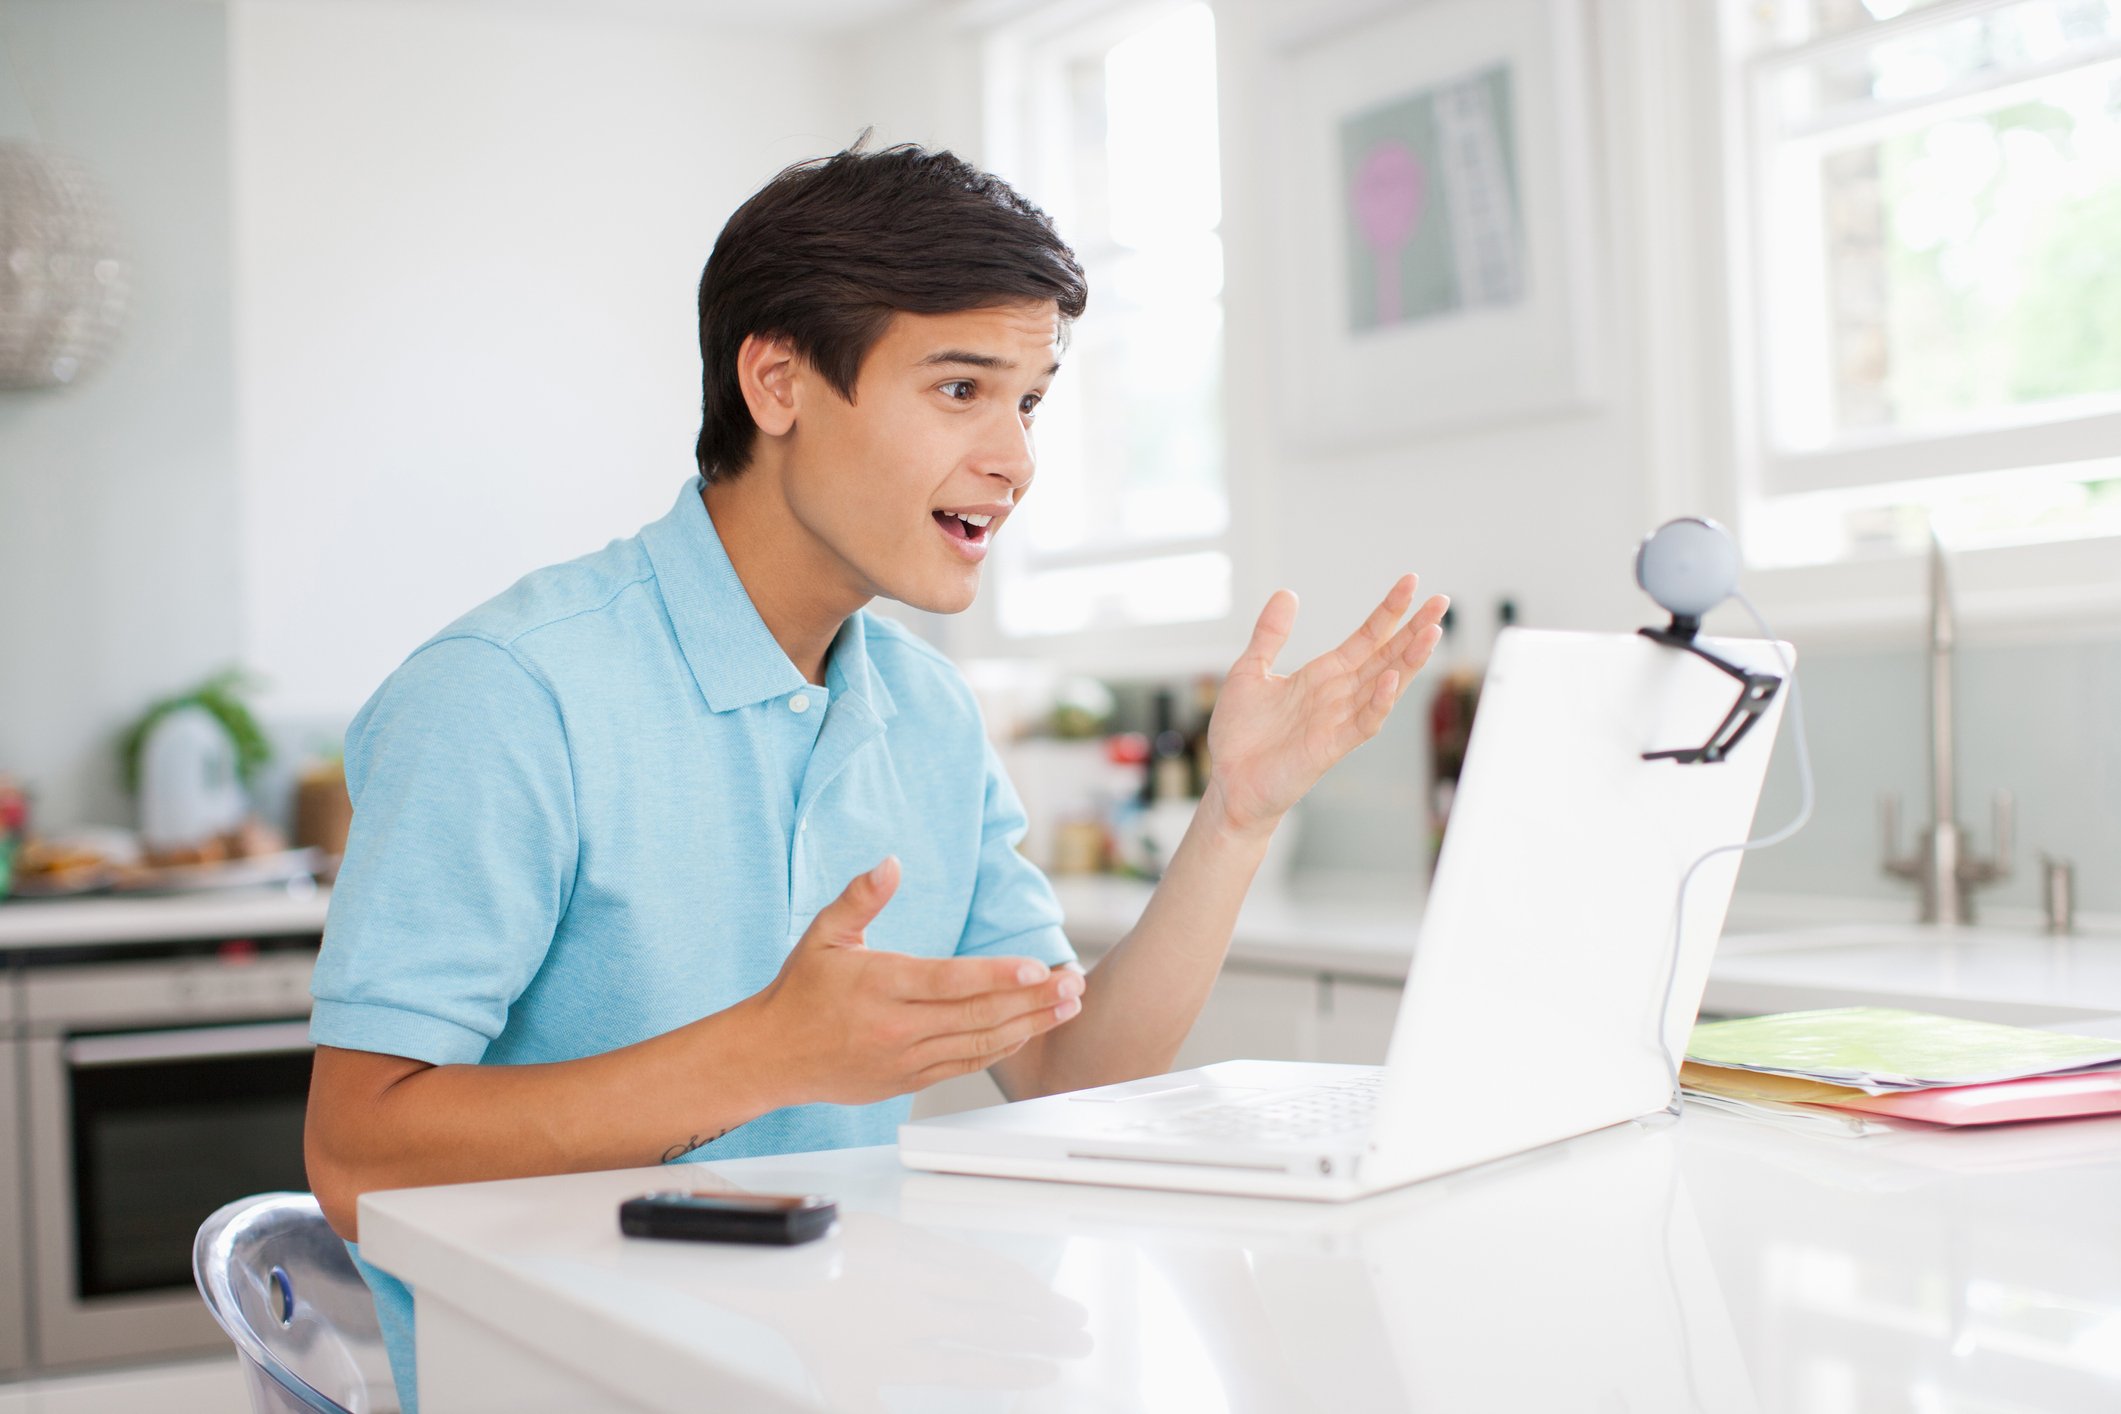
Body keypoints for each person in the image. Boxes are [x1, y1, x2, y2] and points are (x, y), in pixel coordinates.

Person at [302, 138, 1448, 1409]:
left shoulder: (925, 711)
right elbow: (358, 1159)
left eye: (1029, 402)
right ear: (779, 381)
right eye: (962, 389)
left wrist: (1238, 815)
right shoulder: (509, 694)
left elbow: (1070, 1074)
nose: (1014, 459)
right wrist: (772, 1053)